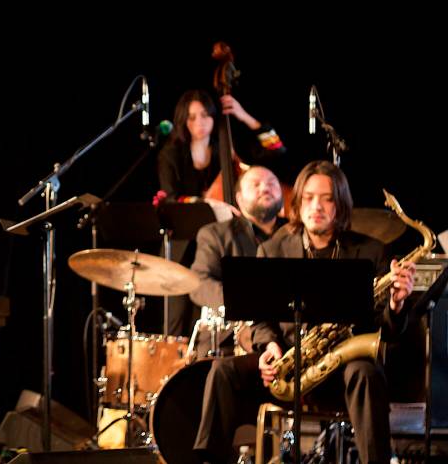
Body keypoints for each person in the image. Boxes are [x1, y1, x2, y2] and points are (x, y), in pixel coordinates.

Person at [194, 160, 415, 464]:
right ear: (297, 203)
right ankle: (208, 460)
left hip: (341, 370)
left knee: (366, 372)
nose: (317, 206)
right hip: (287, 361)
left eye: (327, 198)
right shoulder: (272, 249)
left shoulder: (372, 251)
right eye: (309, 198)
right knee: (221, 371)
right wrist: (268, 346)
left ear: (341, 204)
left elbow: (387, 331)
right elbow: (261, 318)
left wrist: (396, 304)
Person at [156, 89, 285, 336]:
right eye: (192, 117)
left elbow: (276, 149)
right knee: (175, 322)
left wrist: (243, 115)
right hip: (182, 246)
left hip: (222, 244)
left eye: (205, 115)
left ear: (214, 118)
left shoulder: (226, 151)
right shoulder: (170, 154)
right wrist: (210, 206)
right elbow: (170, 198)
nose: (199, 123)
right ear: (183, 120)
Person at [188, 165, 286, 359]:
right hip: (227, 338)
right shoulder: (215, 234)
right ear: (239, 199)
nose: (265, 188)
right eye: (256, 184)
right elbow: (199, 282)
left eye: (272, 183)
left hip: (284, 332)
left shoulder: (295, 234)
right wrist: (245, 306)